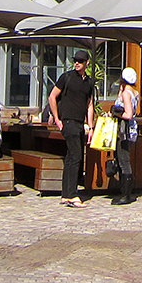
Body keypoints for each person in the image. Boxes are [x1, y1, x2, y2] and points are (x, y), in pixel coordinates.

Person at [47, 48, 95, 208]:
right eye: (75, 60)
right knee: (75, 157)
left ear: (87, 63)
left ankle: (66, 194)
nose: (77, 63)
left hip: (80, 123)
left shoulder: (89, 82)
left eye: (80, 61)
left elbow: (89, 104)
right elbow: (52, 96)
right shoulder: (66, 77)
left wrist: (91, 126)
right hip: (68, 122)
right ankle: (72, 194)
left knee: (71, 158)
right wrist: (57, 118)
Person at [111, 66, 140, 205]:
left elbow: (128, 114)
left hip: (124, 130)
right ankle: (124, 191)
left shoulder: (126, 93)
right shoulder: (135, 92)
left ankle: (126, 195)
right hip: (130, 130)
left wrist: (115, 113)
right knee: (122, 158)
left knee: (123, 161)